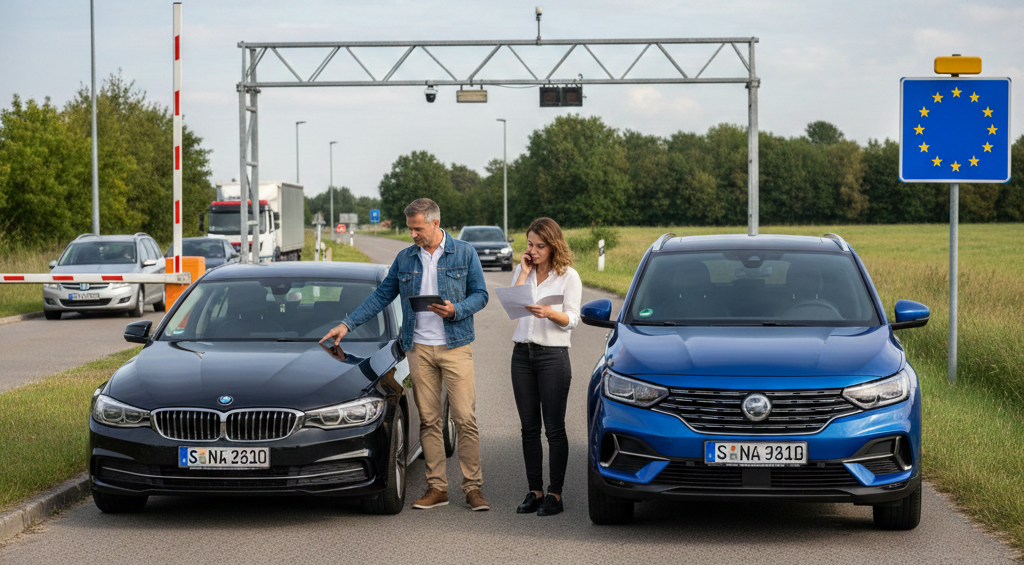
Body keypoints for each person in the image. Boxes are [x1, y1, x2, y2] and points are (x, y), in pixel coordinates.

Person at [320, 198, 491, 511]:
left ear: (435, 223)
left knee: (465, 418)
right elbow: (382, 296)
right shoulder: (405, 259)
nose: (413, 234)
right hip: (418, 349)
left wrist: (456, 309)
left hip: (455, 346)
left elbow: (481, 295)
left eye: (418, 228)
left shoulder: (464, 252)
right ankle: (437, 488)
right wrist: (347, 324)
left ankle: (473, 489)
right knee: (429, 420)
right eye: (411, 228)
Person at [508, 218, 582, 516]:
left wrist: (552, 313)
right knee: (528, 428)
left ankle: (555, 493)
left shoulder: (568, 276)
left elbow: (573, 319)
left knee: (553, 428)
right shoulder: (522, 270)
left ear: (553, 246)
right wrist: (524, 272)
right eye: (530, 245)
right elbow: (512, 309)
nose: (533, 251)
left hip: (553, 356)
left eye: (540, 246)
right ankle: (534, 490)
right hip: (522, 355)